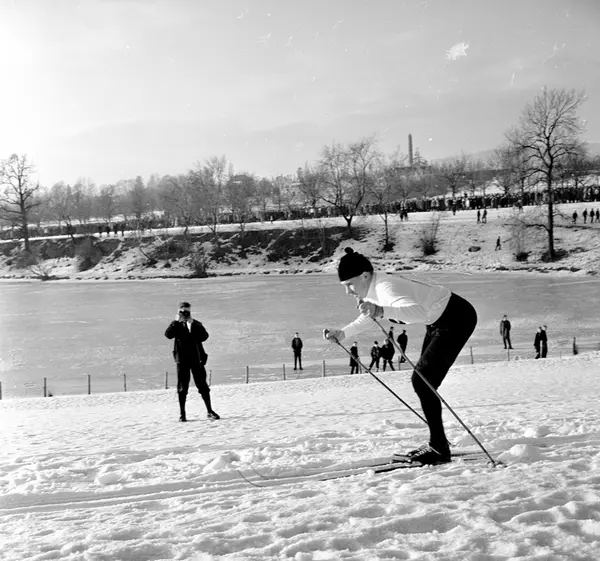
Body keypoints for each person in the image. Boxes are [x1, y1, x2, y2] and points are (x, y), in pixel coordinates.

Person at [323, 248, 478, 465]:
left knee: (423, 382)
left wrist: (381, 311)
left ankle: (439, 448)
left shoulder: (386, 288)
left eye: (349, 284)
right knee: (425, 382)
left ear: (364, 276)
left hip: (456, 319)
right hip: (440, 320)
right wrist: (344, 333)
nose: (348, 291)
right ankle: (438, 443)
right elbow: (370, 316)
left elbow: (418, 312)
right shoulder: (374, 288)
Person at [165, 301, 219, 422]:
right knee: (182, 388)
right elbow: (168, 335)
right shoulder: (176, 325)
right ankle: (182, 414)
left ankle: (209, 411)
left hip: (197, 359)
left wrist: (194, 324)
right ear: (179, 311)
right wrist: (175, 321)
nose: (185, 314)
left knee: (203, 386)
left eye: (188, 311)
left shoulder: (195, 324)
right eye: (183, 311)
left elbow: (204, 337)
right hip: (182, 360)